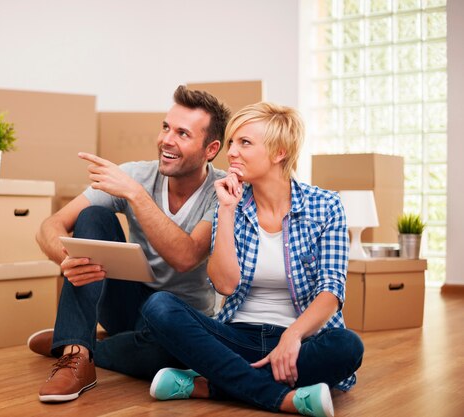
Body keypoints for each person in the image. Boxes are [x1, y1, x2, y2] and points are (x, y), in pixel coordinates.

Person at [141, 102, 364, 417]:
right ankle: (284, 399)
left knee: (347, 346)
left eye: (244, 143)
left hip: (302, 341)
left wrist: (292, 335)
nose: (231, 152)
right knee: (159, 307)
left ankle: (208, 384)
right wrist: (227, 210)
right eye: (231, 142)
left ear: (279, 153)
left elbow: (331, 290)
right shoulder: (231, 204)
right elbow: (224, 284)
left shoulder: (325, 205)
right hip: (237, 337)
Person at [30, 85, 231, 403]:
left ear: (211, 149)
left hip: (179, 317)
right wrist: (66, 259)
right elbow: (49, 226)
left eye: (183, 133)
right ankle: (76, 355)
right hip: (126, 302)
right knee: (94, 217)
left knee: (173, 356)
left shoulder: (222, 191)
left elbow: (186, 255)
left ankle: (72, 339)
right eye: (166, 127)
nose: (166, 139)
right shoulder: (136, 173)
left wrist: (135, 195)